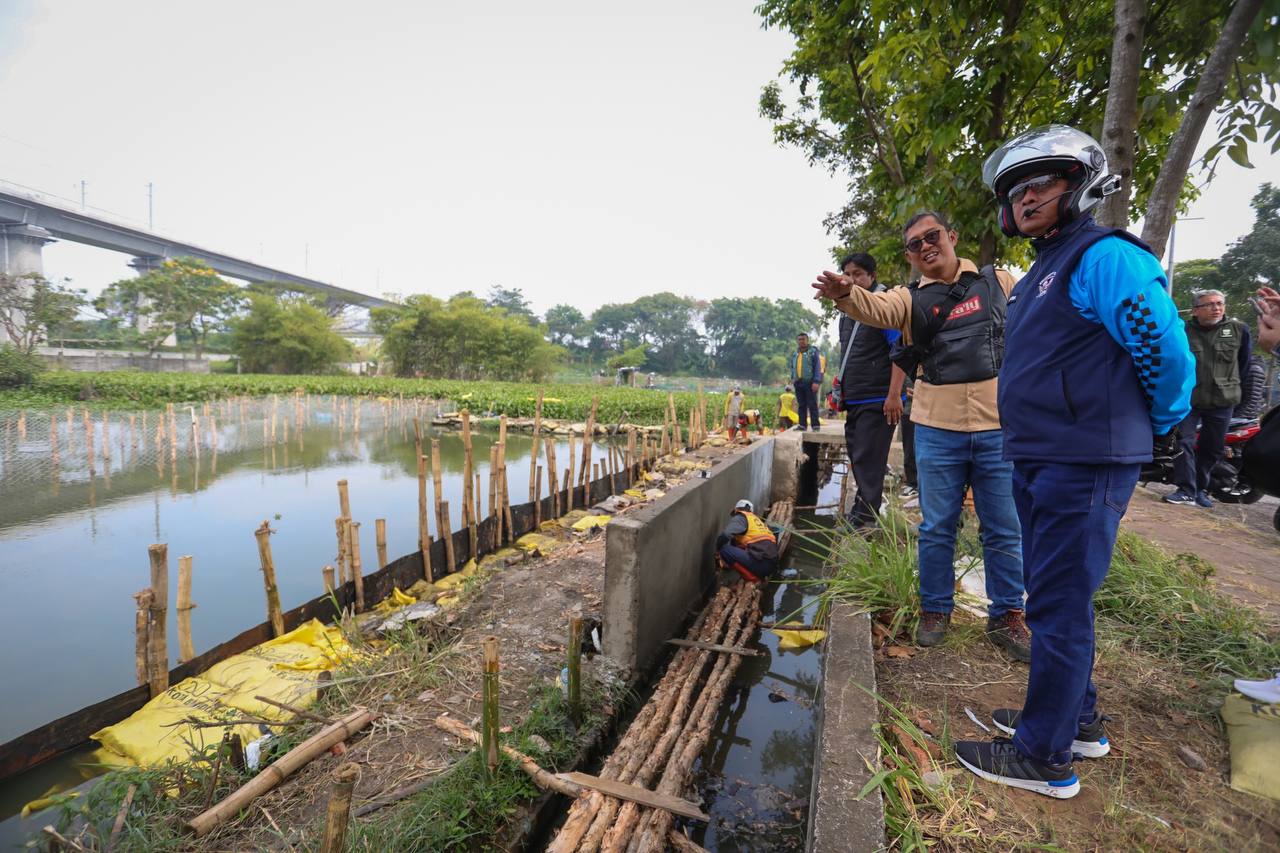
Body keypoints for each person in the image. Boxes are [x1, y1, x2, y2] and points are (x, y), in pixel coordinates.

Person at [942, 124, 1195, 799]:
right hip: (1043, 455)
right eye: (1016, 191)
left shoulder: (1104, 257)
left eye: (1041, 184)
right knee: (1058, 596)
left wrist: (1165, 421)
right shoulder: (1041, 272)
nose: (1026, 199)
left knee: (1056, 604)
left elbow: (1162, 345)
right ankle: (1072, 720)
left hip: (1081, 458)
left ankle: (1043, 755)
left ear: (1079, 186)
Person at [812, 212, 1029, 662]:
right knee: (936, 528)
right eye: (915, 244)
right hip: (936, 428)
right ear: (910, 257)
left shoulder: (1001, 282)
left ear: (951, 237)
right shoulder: (907, 300)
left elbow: (1037, 328)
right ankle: (935, 609)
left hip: (997, 428)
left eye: (933, 237)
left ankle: (1008, 614)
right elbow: (875, 309)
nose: (926, 246)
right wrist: (847, 295)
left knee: (1004, 530)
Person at [833, 251, 908, 529]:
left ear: (871, 277)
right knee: (859, 455)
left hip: (878, 397)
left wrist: (893, 395)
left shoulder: (882, 305)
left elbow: (900, 350)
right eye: (847, 274)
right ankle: (861, 511)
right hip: (857, 395)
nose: (851, 279)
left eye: (858, 274)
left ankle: (865, 519)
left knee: (869, 457)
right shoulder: (848, 310)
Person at [1163, 289, 1252, 507]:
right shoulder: (1182, 330)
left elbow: (1245, 366)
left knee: (1212, 449)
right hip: (1188, 400)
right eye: (1209, 304)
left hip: (1222, 400)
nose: (1216, 308)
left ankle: (1200, 490)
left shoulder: (1239, 330)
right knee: (1180, 441)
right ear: (1196, 310)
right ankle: (1185, 489)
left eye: (1220, 303)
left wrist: (1239, 397)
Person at [715, 499, 779, 583]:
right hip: (772, 563)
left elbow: (726, 535)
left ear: (737, 510)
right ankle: (757, 574)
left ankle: (753, 579)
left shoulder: (740, 517)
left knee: (725, 550)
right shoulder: (756, 520)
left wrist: (718, 550)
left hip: (762, 564)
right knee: (739, 547)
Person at [789, 333, 823, 430]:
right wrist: (793, 378)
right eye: (799, 339)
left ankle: (815, 425)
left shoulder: (813, 351)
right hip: (798, 382)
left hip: (810, 382)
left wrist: (816, 381)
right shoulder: (795, 353)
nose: (801, 341)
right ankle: (802, 425)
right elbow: (792, 366)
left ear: (807, 340)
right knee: (801, 405)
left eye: (803, 339)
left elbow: (817, 367)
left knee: (812, 404)